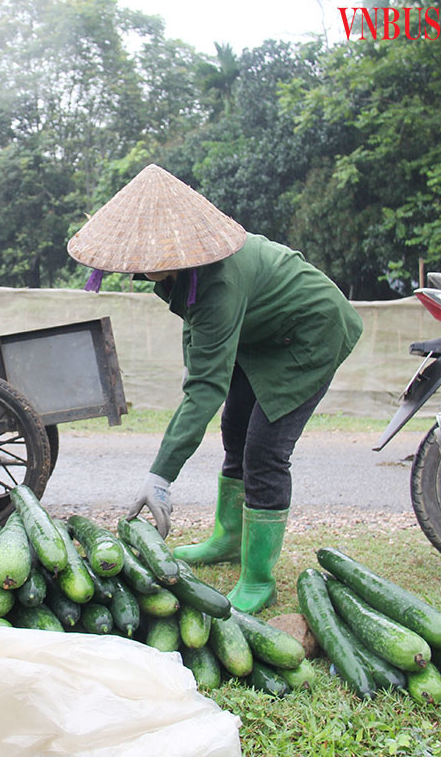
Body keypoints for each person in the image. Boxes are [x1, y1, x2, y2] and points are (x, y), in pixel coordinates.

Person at [68, 164, 363, 613]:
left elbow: (206, 385)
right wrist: (196, 375)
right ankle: (228, 538)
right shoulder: (182, 272)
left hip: (310, 334)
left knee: (264, 452)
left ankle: (259, 580)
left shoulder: (218, 280)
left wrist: (160, 475)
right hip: (261, 335)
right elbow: (198, 338)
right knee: (235, 429)